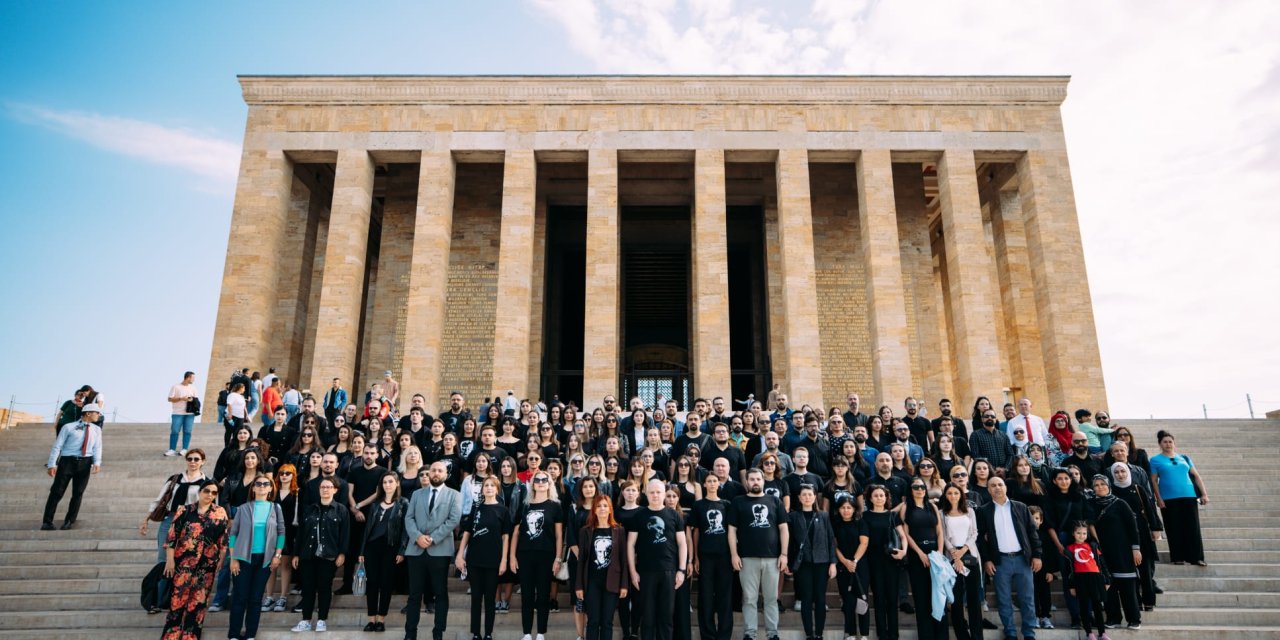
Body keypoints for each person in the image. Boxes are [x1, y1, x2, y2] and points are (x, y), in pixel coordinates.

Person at [141, 449, 210, 613]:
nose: (193, 462)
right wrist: (146, 519)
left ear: (203, 461)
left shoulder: (206, 482)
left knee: (185, 561)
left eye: (196, 459)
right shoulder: (175, 479)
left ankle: (178, 599)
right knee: (163, 560)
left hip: (192, 524)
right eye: (190, 459)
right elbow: (160, 499)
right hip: (170, 521)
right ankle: (157, 600)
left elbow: (209, 506)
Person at [161, 479, 229, 640]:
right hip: (182, 563)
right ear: (200, 492)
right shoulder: (184, 510)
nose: (210, 495)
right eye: (207, 491)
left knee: (198, 602)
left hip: (207, 565)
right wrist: (170, 561)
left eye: (214, 492)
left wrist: (221, 559)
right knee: (177, 600)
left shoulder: (220, 512)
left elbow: (223, 540)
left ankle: (190, 636)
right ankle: (171, 635)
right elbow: (171, 538)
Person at [976, 477, 1041, 640]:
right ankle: (1010, 632)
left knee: (1027, 598)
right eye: (993, 485)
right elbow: (980, 540)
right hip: (1000, 561)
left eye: (1000, 484)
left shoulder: (1020, 507)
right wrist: (987, 560)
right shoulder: (983, 511)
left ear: (1005, 487)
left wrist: (1037, 555)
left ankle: (1029, 633)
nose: (997, 488)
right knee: (1003, 599)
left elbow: (1033, 533)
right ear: (988, 489)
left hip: (1022, 559)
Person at [404, 461, 463, 640]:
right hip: (416, 550)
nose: (436, 473)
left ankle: (438, 633)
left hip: (440, 550)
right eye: (433, 470)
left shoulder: (454, 495)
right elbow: (409, 518)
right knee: (414, 594)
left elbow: (453, 520)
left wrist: (432, 538)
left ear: (446, 474)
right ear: (428, 474)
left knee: (440, 592)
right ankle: (410, 634)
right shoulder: (416, 494)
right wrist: (417, 537)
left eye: (440, 471)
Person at [729, 469, 788, 640]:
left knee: (771, 598)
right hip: (747, 558)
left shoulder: (775, 501)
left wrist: (784, 554)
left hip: (772, 558)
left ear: (763, 481)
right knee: (749, 599)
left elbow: (783, 529)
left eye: (758, 479)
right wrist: (734, 554)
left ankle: (772, 634)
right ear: (746, 482)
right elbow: (732, 531)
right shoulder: (738, 502)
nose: (755, 482)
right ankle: (750, 633)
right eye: (752, 479)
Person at [627, 479, 688, 640]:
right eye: (652, 492)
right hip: (645, 572)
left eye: (658, 492)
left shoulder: (674, 515)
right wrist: (633, 572)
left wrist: (681, 570)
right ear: (646, 494)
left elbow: (682, 544)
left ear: (664, 494)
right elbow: (630, 545)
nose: (655, 495)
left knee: (666, 617)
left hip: (669, 571)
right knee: (647, 617)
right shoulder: (639, 515)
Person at [227, 473, 285, 640]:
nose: (261, 486)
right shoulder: (243, 508)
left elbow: (281, 532)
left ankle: (251, 634)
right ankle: (234, 634)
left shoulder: (276, 508)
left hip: (265, 559)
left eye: (265, 484)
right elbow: (233, 534)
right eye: (258, 484)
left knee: (255, 598)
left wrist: (277, 555)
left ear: (270, 488)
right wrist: (233, 558)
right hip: (243, 558)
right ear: (253, 488)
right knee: (239, 597)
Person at [290, 477, 350, 633]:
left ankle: (322, 620)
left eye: (329, 487)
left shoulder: (341, 510)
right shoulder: (310, 509)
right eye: (322, 487)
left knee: (324, 588)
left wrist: (342, 553)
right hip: (307, 555)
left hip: (329, 556)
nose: (325, 489)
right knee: (308, 588)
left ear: (335, 490)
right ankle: (306, 620)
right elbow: (301, 533)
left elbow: (345, 534)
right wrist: (296, 554)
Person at [512, 468, 564, 640]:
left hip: (546, 555)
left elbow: (558, 536)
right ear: (532, 484)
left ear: (550, 484)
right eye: (538, 480)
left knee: (543, 595)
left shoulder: (555, 506)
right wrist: (512, 556)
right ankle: (527, 633)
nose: (541, 483)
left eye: (544, 480)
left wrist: (558, 558)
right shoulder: (525, 505)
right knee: (526, 595)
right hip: (525, 554)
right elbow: (516, 533)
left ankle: (541, 633)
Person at [457, 476, 510, 640]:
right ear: (482, 489)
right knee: (476, 598)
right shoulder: (476, 508)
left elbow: (506, 537)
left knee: (489, 598)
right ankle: (476, 633)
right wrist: (460, 554)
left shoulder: (503, 510)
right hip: (474, 559)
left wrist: (504, 560)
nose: (488, 488)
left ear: (497, 489)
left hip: (493, 560)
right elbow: (467, 533)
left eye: (491, 486)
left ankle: (488, 633)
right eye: (485, 485)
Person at [1088, 474, 1142, 630]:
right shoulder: (1090, 504)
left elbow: (1133, 528)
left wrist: (1136, 549)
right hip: (1101, 551)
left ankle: (1133, 619)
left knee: (1127, 586)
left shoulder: (1120, 503)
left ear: (1108, 485)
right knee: (1108, 586)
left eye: (1102, 484)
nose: (1099, 487)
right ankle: (1113, 618)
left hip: (1122, 551)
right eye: (1096, 485)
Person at [358, 471, 408, 632]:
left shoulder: (403, 503)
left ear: (397, 484)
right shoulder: (375, 504)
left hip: (391, 547)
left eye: (390, 482)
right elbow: (367, 529)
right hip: (372, 547)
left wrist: (402, 550)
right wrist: (362, 551)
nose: (387, 485)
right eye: (385, 482)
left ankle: (381, 619)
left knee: (386, 584)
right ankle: (371, 619)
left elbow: (405, 530)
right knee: (371, 583)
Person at [1149, 430, 1208, 566]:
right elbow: (1153, 481)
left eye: (1170, 442)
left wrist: (1204, 494)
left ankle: (1196, 557)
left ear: (1174, 443)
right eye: (1165, 442)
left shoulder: (1184, 458)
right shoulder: (1155, 460)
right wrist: (1159, 499)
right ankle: (1178, 557)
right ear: (1160, 444)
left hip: (1189, 495)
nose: (1168, 444)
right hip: (1168, 498)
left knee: (1193, 527)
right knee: (1173, 527)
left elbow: (1197, 476)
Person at [785, 484, 837, 640]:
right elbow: (790, 542)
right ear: (799, 498)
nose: (807, 497)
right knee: (806, 598)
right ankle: (809, 633)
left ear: (815, 497)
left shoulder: (823, 516)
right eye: (804, 495)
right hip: (803, 563)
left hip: (822, 562)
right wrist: (788, 561)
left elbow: (831, 540)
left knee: (820, 598)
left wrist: (833, 563)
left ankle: (819, 633)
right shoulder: (793, 517)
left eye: (810, 494)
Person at [1108, 462, 1162, 611]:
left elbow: (1149, 508)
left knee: (1146, 570)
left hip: (1142, 532)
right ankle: (1135, 602)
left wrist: (1155, 527)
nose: (1120, 474)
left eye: (1123, 471)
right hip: (1123, 534)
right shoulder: (1111, 491)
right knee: (1130, 571)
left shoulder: (1138, 489)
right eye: (1117, 472)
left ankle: (1149, 601)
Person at [898, 478, 947, 640]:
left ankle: (941, 635)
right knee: (921, 597)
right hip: (916, 554)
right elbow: (906, 534)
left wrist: (939, 553)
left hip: (935, 553)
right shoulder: (906, 508)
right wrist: (920, 553)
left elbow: (939, 531)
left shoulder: (932, 506)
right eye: (915, 487)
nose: (919, 489)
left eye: (922, 487)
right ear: (910, 489)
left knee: (939, 596)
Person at [43, 403, 103, 530]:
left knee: (78, 493)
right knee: (56, 492)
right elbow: (57, 446)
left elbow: (97, 447)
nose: (99, 415)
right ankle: (47, 521)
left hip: (85, 463)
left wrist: (97, 462)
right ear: (88, 413)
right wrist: (52, 464)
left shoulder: (96, 430)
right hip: (67, 462)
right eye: (97, 413)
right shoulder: (68, 427)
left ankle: (69, 521)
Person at [860, 484, 906, 640]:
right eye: (876, 495)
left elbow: (902, 536)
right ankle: (882, 634)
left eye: (882, 495)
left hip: (892, 560)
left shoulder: (893, 515)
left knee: (892, 598)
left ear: (886, 497)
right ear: (870, 498)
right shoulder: (865, 516)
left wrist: (903, 551)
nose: (879, 498)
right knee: (879, 598)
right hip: (873, 560)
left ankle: (894, 634)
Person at [691, 473, 733, 640]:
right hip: (705, 555)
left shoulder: (727, 505)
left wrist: (733, 554)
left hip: (724, 556)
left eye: (715, 481)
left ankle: (724, 635)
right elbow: (696, 532)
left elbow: (732, 531)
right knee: (706, 596)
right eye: (709, 481)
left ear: (718, 484)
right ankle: (707, 635)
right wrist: (695, 557)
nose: (712, 483)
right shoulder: (698, 506)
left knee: (725, 596)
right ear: (704, 484)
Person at [940, 483, 983, 640]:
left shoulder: (969, 511)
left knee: (974, 599)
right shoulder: (941, 513)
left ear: (961, 495)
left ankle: (977, 636)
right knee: (956, 599)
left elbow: (974, 533)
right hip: (952, 557)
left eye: (956, 493)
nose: (953, 496)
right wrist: (955, 556)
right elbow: (943, 536)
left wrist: (963, 550)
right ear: (945, 495)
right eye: (949, 493)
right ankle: (962, 636)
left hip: (970, 555)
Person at [831, 494, 870, 640]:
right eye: (843, 508)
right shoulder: (835, 524)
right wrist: (845, 561)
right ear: (838, 510)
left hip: (860, 566)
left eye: (849, 507)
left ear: (854, 509)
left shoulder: (861, 523)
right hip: (843, 566)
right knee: (848, 600)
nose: (846, 510)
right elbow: (834, 546)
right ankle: (851, 634)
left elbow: (864, 543)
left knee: (862, 598)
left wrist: (854, 561)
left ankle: (864, 634)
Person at [1062, 522, 1110, 640]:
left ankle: (1102, 633)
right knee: (1083, 606)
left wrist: (1107, 580)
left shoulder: (1092, 546)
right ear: (1073, 533)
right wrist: (1071, 586)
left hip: (1095, 578)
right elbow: (1069, 570)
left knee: (1097, 607)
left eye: (1084, 533)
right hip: (1080, 579)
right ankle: (1089, 633)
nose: (1081, 535)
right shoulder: (1069, 549)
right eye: (1078, 533)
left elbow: (1101, 564)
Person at [263, 463, 299, 613]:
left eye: (288, 473)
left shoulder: (296, 493)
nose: (284, 475)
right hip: (272, 531)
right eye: (282, 473)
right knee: (271, 566)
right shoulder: (272, 492)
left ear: (293, 475)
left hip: (289, 531)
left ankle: (283, 597)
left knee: (285, 565)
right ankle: (269, 596)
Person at [167, 371, 199, 456]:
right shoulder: (176, 387)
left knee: (187, 431)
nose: (194, 380)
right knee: (175, 431)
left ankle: (184, 449)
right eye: (193, 378)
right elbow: (169, 399)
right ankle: (172, 449)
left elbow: (196, 400)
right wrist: (181, 398)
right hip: (177, 413)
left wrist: (191, 399)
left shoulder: (193, 388)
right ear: (188, 377)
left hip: (190, 414)